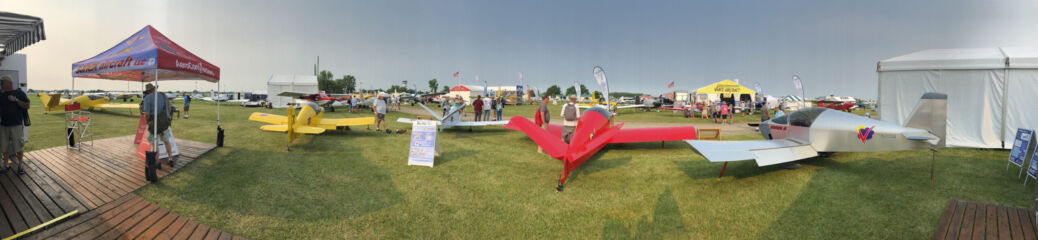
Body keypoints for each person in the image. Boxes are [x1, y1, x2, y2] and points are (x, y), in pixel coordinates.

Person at [140, 83, 175, 169]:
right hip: (164, 123)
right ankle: (170, 158)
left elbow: (147, 114)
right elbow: (169, 108)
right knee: (166, 141)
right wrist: (166, 117)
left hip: (153, 123)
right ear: (154, 89)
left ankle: (157, 162)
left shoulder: (147, 98)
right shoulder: (164, 96)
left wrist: (147, 122)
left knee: (154, 143)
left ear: (148, 91)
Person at [0, 76, 28, 175]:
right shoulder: (1, 94)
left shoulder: (19, 93)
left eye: (2, 83)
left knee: (19, 147)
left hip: (16, 125)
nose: (1, 85)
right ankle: (6, 165)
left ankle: (20, 165)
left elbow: (27, 105)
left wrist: (15, 99)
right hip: (3, 125)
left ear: (9, 83)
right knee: (4, 146)